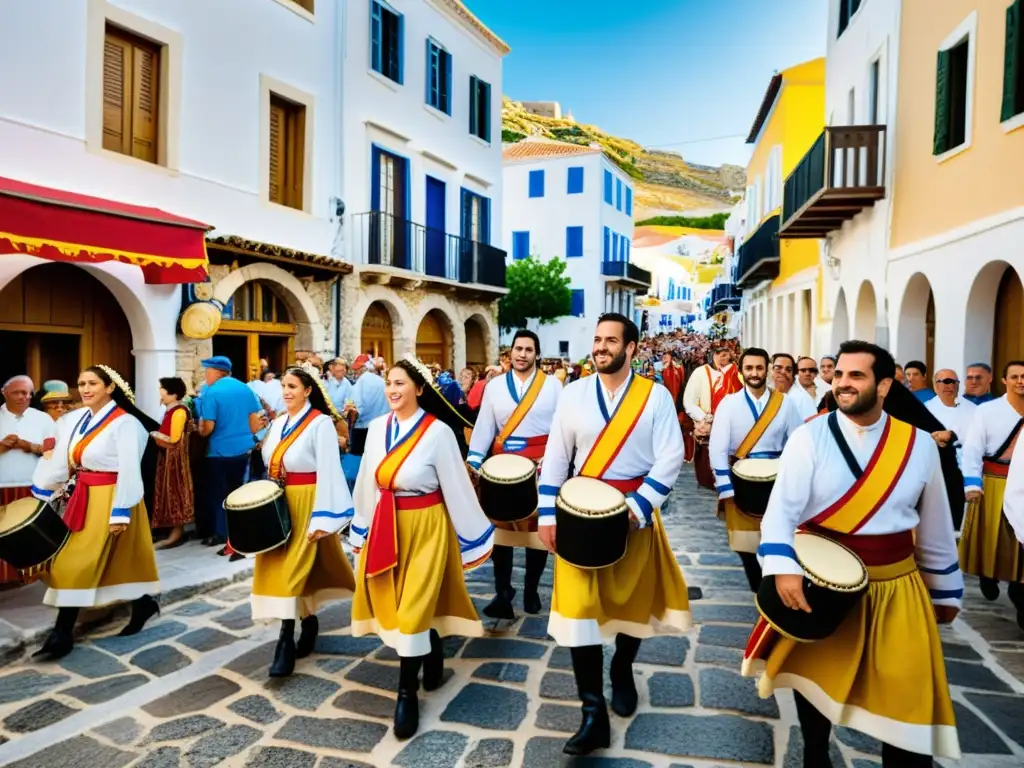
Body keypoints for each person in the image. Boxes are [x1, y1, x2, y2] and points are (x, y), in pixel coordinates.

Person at [743, 341, 961, 766]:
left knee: (906, 692)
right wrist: (783, 569)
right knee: (815, 678)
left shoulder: (917, 445)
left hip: (896, 587)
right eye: (839, 374)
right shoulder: (809, 436)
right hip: (822, 582)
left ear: (884, 385)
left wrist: (946, 589)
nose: (842, 383)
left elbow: (934, 524)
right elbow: (780, 513)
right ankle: (815, 754)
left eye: (856, 376)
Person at [537, 313, 690, 756]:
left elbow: (669, 458)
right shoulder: (573, 394)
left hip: (632, 517)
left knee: (631, 604)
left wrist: (637, 508)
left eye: (610, 340)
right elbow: (555, 457)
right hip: (578, 514)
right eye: (597, 339)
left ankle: (622, 667)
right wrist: (548, 514)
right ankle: (592, 713)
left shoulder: (655, 397)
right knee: (578, 612)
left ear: (632, 349)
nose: (600, 347)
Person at [349, 356, 494, 741]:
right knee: (397, 602)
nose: (393, 390)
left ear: (418, 388)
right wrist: (360, 530)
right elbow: (367, 480)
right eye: (389, 383)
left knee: (412, 609)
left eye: (400, 383)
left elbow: (455, 486)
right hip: (386, 525)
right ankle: (431, 648)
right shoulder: (378, 428)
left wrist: (472, 536)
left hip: (427, 526)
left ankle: (405, 693)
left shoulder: (438, 433)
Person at [30, 366, 162, 658]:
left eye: (92, 383)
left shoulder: (126, 424)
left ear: (109, 388)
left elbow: (130, 470)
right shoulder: (77, 421)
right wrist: (43, 490)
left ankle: (62, 634)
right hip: (85, 498)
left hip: (114, 498)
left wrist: (120, 512)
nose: (86, 389)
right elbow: (67, 458)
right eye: (81, 384)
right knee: (106, 561)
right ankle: (142, 603)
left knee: (76, 564)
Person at [255, 364, 356, 677]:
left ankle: (285, 640)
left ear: (309, 390)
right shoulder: (279, 422)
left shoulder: (320, 423)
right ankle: (308, 621)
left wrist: (325, 516)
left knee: (293, 570)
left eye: (293, 387)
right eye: (284, 386)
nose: (286, 392)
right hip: (279, 505)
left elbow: (329, 469)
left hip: (308, 501)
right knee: (280, 567)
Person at [467, 330, 561, 620]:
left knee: (537, 533)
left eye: (528, 349)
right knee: (501, 534)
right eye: (518, 349)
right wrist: (474, 458)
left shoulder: (554, 387)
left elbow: (561, 428)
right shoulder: (494, 387)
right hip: (502, 467)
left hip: (541, 466)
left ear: (537, 354)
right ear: (510, 354)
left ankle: (531, 589)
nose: (522, 354)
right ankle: (502, 591)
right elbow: (484, 424)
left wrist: (555, 460)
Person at [708, 348, 804, 591]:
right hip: (741, 481)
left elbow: (797, 444)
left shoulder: (785, 404)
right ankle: (760, 588)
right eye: (749, 368)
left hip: (776, 481)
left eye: (759, 368)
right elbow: (717, 448)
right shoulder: (729, 404)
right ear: (741, 371)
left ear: (768, 370)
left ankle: (771, 588)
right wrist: (725, 488)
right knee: (745, 547)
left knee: (778, 539)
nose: (754, 373)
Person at [959, 360, 1024, 626]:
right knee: (996, 535)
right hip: (996, 481)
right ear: (1004, 380)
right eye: (1015, 376)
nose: (1021, 381)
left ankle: (1020, 593)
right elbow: (972, 448)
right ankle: (989, 573)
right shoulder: (988, 411)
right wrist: (973, 484)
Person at [195, 356, 264, 556]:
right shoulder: (246, 389)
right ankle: (239, 533)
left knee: (219, 494)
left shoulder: (212, 392)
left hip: (218, 451)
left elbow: (208, 428)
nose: (205, 376)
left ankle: (220, 533)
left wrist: (199, 429)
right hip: (243, 450)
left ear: (216, 372)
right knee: (238, 492)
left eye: (206, 372)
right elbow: (255, 421)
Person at [0, 375, 58, 585]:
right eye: (18, 392)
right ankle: (5, 578)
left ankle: (32, 577)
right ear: (4, 392)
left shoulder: (43, 419)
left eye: (28, 393)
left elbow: (55, 452)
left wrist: (30, 446)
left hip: (32, 487)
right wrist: (2, 447)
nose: (24, 397)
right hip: (2, 485)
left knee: (30, 534)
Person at [683, 344, 741, 489]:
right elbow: (689, 401)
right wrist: (705, 418)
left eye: (726, 353)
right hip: (708, 426)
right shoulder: (701, 372)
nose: (723, 356)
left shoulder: (738, 373)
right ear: (712, 354)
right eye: (719, 353)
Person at [150, 377, 194, 550]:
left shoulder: (179, 412)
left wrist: (153, 434)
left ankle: (176, 533)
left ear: (173, 394)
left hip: (174, 462)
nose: (160, 392)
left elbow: (174, 439)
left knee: (175, 493)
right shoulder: (172, 410)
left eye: (162, 388)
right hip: (168, 460)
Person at [925, 368, 977, 468]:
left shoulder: (974, 409)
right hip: (936, 466)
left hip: (966, 467)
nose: (950, 386)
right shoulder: (925, 409)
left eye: (954, 382)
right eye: (946, 381)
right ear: (935, 386)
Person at [347, 354, 389, 457]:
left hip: (363, 429)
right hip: (382, 427)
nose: (355, 373)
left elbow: (355, 408)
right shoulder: (381, 381)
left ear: (363, 368)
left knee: (360, 463)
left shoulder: (361, 382)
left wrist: (349, 428)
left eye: (356, 370)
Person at [771, 353, 817, 421]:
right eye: (778, 368)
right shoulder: (767, 394)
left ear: (793, 375)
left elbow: (813, 428)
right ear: (771, 371)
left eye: (788, 370)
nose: (783, 372)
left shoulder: (803, 399)